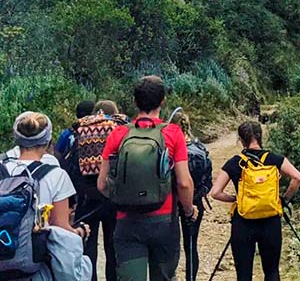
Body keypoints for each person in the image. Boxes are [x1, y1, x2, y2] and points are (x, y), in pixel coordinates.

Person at [98, 76, 198, 281]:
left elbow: (102, 184)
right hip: (163, 221)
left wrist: (123, 196)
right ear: (163, 101)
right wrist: (189, 211)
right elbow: (184, 183)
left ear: (135, 102)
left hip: (127, 222)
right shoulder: (173, 133)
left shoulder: (118, 134)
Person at [210, 120, 300, 281]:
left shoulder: (234, 162)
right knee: (272, 272)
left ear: (240, 140)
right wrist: (283, 200)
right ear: (260, 136)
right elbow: (297, 178)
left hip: (243, 223)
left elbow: (216, 192)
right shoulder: (275, 159)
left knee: (244, 276)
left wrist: (236, 198)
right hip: (270, 222)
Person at [0, 112, 91, 255]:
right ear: (48, 141)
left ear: (16, 138)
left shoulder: (1, 167)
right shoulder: (57, 175)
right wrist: (80, 232)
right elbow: (60, 228)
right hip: (34, 261)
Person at [73, 100, 128, 281]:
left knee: (88, 248)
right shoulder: (120, 130)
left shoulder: (78, 131)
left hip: (87, 198)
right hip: (112, 196)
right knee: (113, 248)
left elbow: (69, 166)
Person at [171, 110, 212, 281]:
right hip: (195, 203)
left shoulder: (170, 147)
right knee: (191, 245)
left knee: (171, 246)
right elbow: (208, 181)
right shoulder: (199, 147)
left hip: (172, 203)